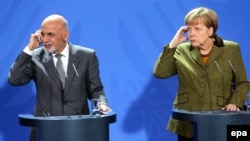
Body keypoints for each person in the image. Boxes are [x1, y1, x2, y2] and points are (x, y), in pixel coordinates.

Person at [8, 14, 111, 141]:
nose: (45, 40)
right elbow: (14, 80)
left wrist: (101, 103)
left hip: (78, 130)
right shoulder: (35, 57)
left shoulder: (86, 56)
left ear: (65, 35)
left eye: (50, 34)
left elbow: (96, 90)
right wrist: (29, 49)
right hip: (46, 131)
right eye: (42, 34)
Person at [153, 7, 249, 141]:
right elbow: (160, 73)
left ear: (210, 30)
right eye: (189, 29)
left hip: (219, 119)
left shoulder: (231, 49)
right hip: (187, 120)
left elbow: (242, 83)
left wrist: (235, 103)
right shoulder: (182, 49)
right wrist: (173, 45)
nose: (191, 34)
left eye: (197, 29)